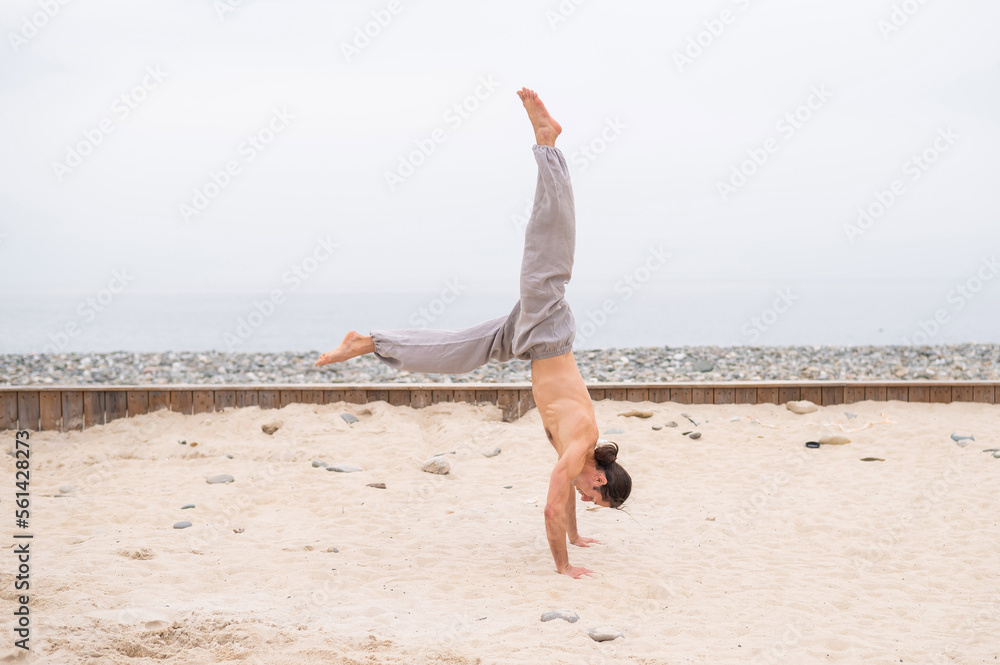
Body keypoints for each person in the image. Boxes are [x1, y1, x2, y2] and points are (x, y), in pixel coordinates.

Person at [315, 87, 631, 579]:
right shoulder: (579, 446)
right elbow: (552, 506)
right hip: (547, 330)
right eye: (596, 498)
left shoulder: (579, 458)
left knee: (457, 352)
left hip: (527, 342)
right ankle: (548, 144)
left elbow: (566, 495)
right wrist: (564, 566)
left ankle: (370, 342)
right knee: (551, 243)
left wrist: (575, 535)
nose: (587, 500)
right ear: (601, 478)